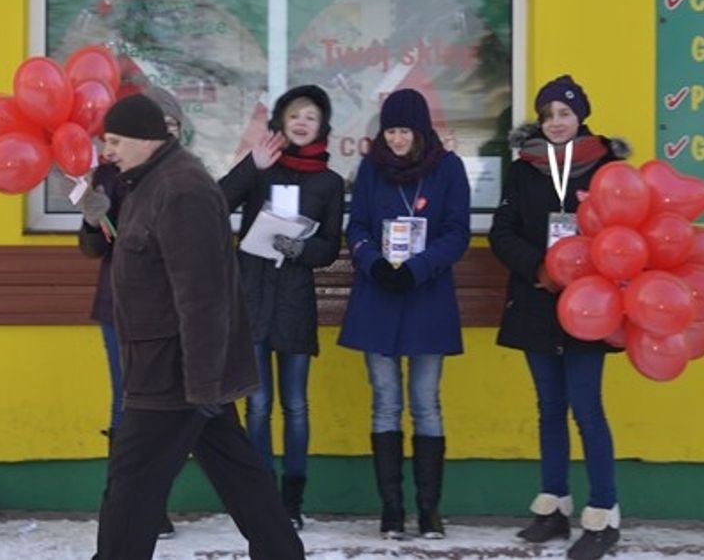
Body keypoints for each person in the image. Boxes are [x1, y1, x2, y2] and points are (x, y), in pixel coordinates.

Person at [91, 93, 304, 560]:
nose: (107, 151)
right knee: (238, 472)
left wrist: (203, 382)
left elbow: (202, 296)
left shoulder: (181, 188)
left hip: (175, 372)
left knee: (131, 485)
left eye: (115, 140)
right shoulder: (149, 181)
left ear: (147, 140)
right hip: (175, 365)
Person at [488, 75, 628, 560]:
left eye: (564, 113)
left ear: (580, 116)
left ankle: (604, 513)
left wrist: (591, 259)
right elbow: (502, 230)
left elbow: (627, 230)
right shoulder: (524, 168)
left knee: (587, 410)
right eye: (547, 115)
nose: (556, 123)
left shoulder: (608, 167)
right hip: (537, 300)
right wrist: (539, 268)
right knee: (549, 409)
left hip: (594, 305)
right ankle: (553, 508)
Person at [337, 88, 470, 540]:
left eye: (404, 130)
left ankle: (429, 510)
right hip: (378, 295)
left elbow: (457, 231)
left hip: (426, 296)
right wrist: (370, 258)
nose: (395, 139)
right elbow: (355, 224)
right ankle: (391, 510)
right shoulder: (372, 168)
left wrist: (418, 267)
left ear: (420, 131)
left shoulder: (448, 168)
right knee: (386, 403)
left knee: (426, 404)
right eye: (390, 130)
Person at [218, 85, 345, 530]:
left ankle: (292, 499)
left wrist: (299, 249)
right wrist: (252, 166)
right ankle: (260, 496)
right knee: (257, 407)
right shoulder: (262, 169)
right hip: (251, 299)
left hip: (294, 305)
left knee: (296, 406)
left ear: (322, 126)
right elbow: (217, 203)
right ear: (281, 122)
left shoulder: (329, 182)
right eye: (294, 114)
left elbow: (329, 246)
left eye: (311, 115)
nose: (302, 121)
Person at [79, 87, 186, 540]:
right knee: (128, 401)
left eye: (172, 128)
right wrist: (91, 219)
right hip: (119, 307)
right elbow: (93, 247)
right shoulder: (107, 176)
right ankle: (125, 503)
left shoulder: (182, 177)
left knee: (168, 407)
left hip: (171, 309)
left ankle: (153, 501)